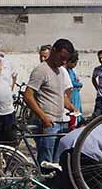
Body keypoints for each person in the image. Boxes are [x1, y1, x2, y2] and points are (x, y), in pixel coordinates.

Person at [24, 38, 76, 166]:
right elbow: (28, 96)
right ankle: (42, 185)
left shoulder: (59, 71)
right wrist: (43, 117)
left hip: (61, 123)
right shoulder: (41, 70)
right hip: (48, 124)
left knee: (57, 162)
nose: (64, 61)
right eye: (62, 57)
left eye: (66, 59)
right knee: (46, 163)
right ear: (54, 51)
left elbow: (60, 95)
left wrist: (71, 107)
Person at [66, 51, 84, 122]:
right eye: (74, 63)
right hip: (72, 93)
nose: (75, 65)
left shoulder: (71, 70)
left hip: (75, 92)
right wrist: (79, 84)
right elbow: (71, 82)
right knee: (74, 108)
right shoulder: (67, 71)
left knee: (77, 107)